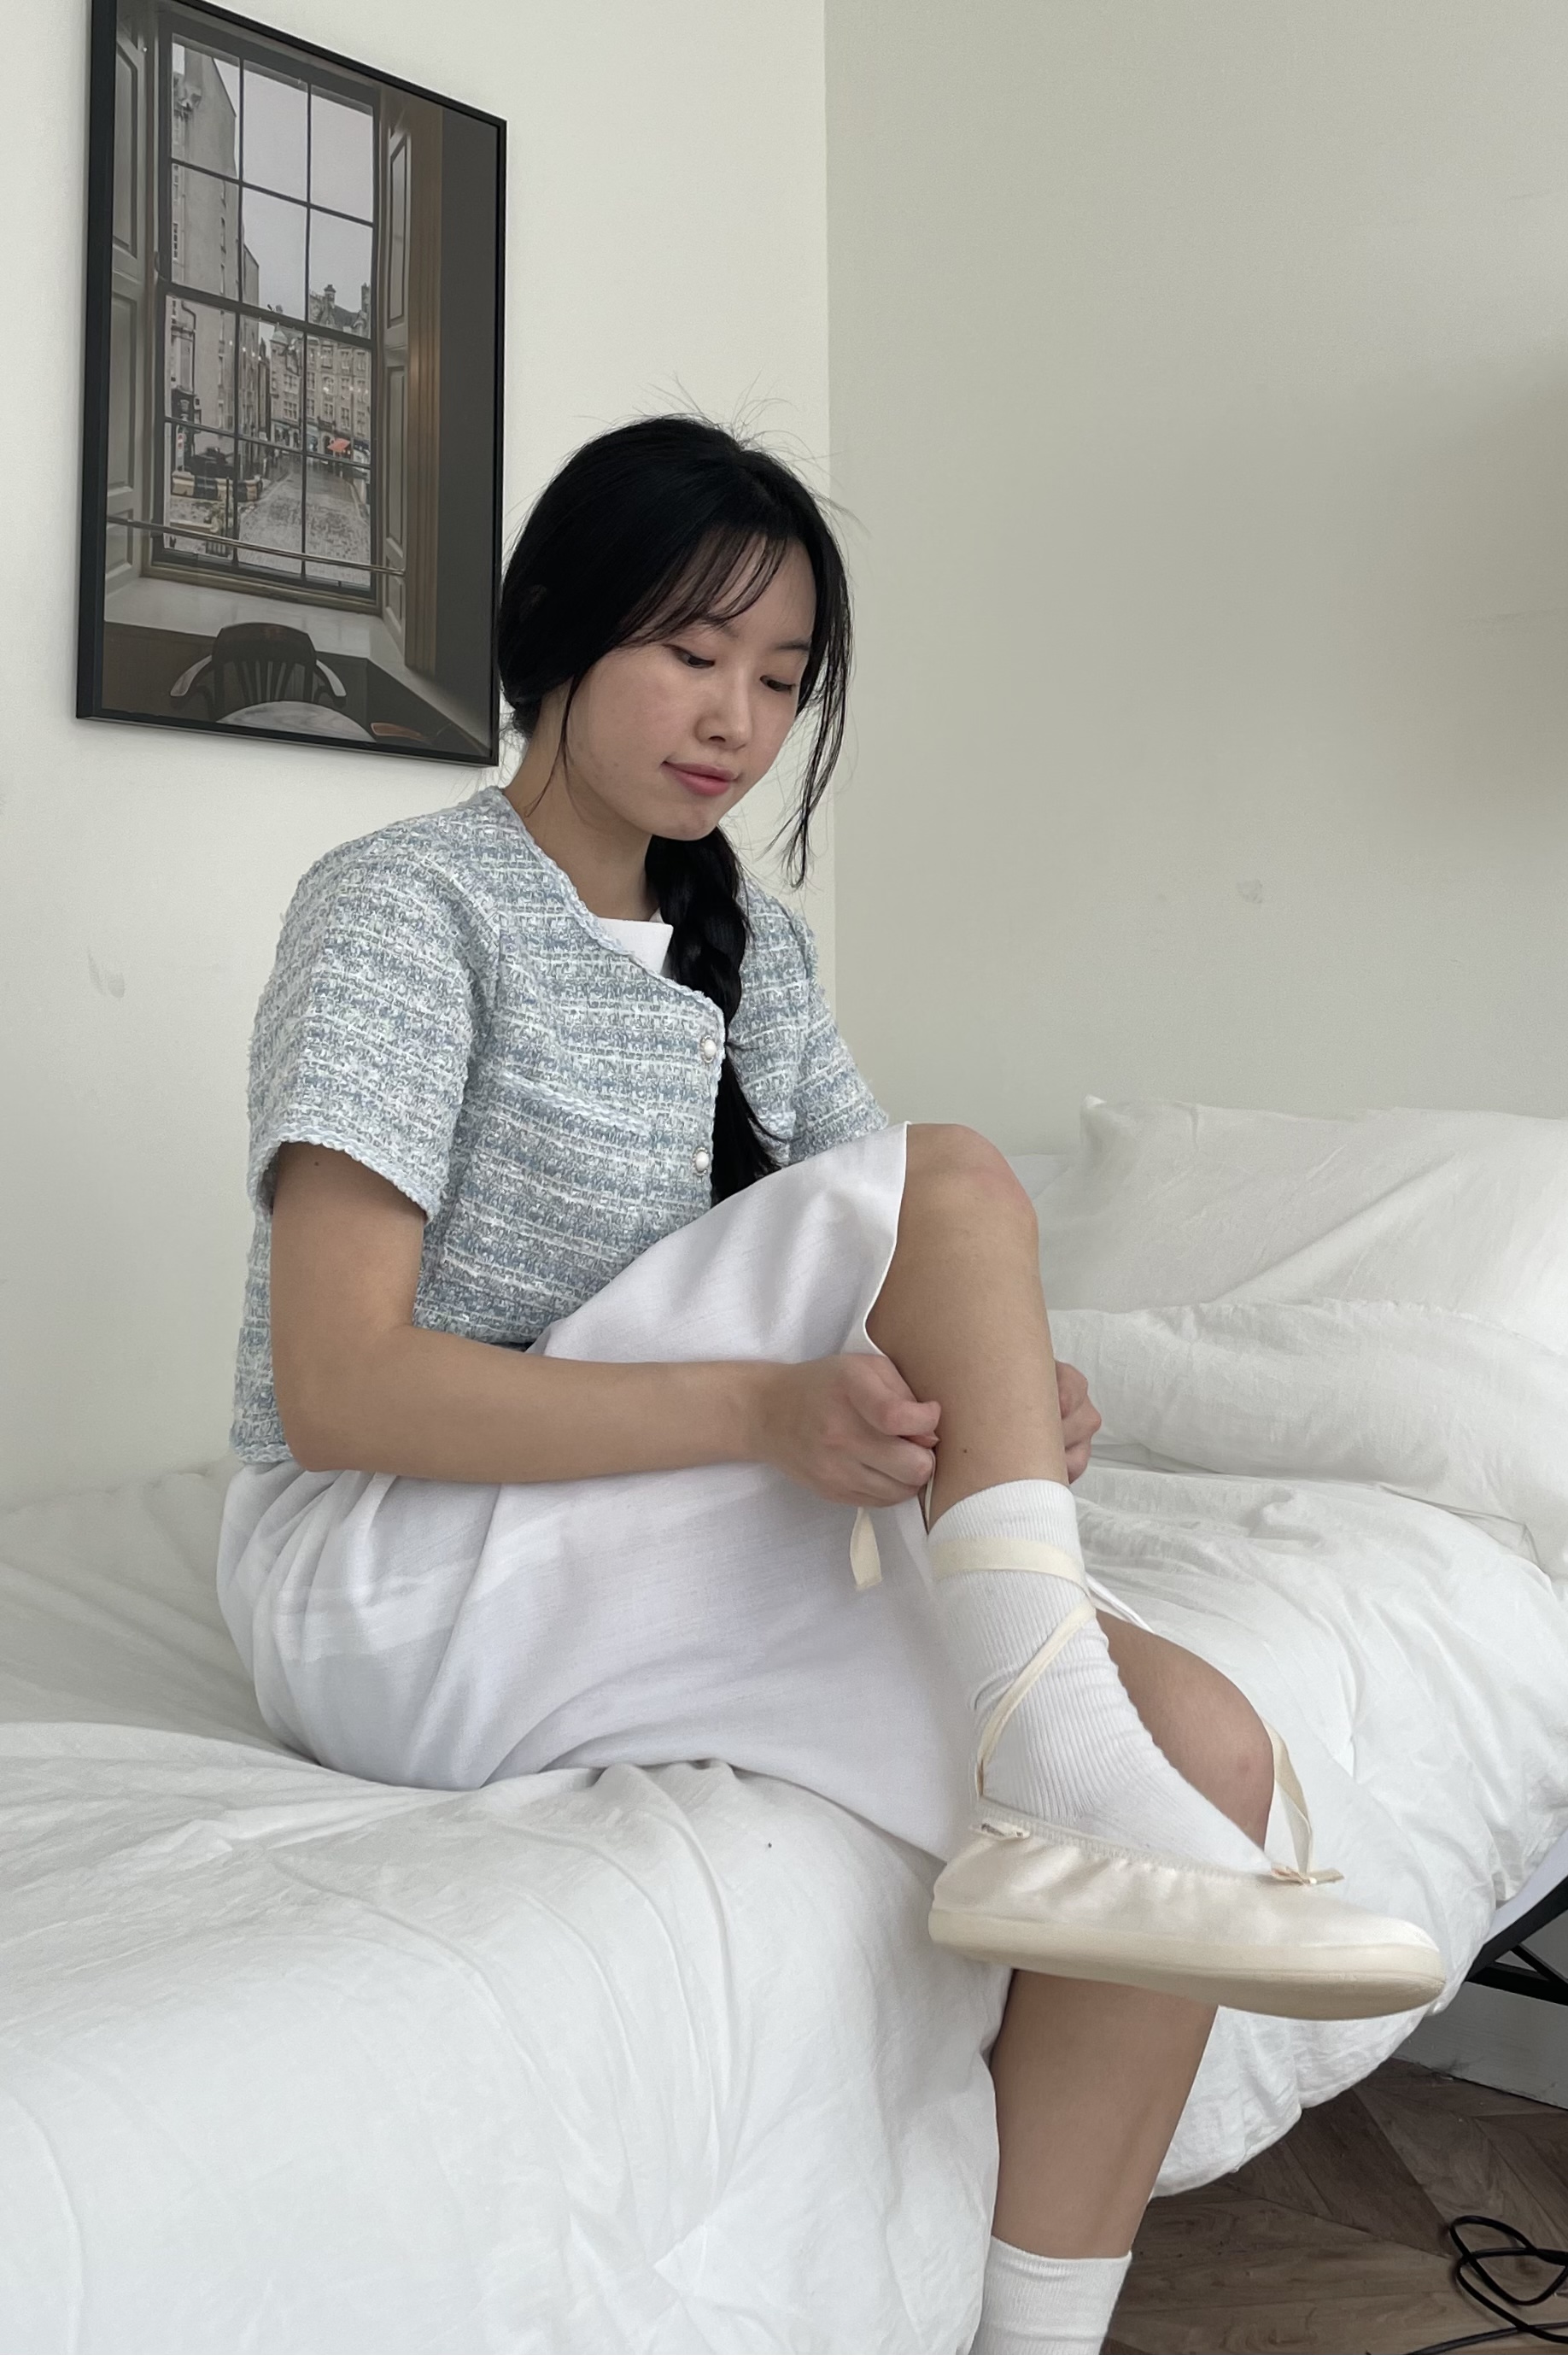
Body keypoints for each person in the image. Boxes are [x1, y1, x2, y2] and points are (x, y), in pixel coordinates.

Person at [218, 415, 1442, 2355]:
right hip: (389, 1567)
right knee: (958, 1180)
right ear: (559, 630)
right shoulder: (403, 906)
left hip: (613, 1519)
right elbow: (339, 1387)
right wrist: (764, 1411)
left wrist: (990, 1404)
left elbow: (887, 1265)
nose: (738, 718)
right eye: (692, 651)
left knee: (1201, 1755)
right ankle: (1047, 1740)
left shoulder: (752, 953)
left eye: (782, 679)